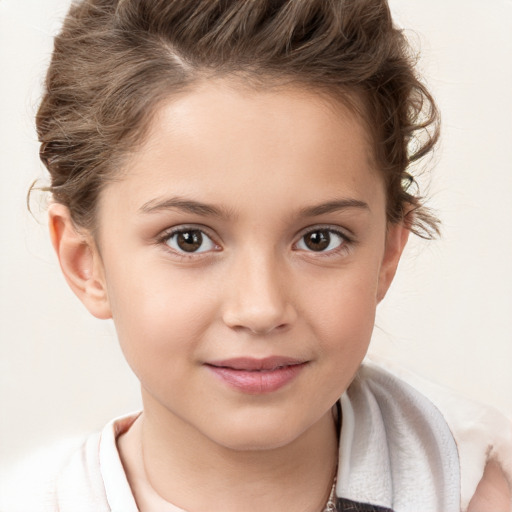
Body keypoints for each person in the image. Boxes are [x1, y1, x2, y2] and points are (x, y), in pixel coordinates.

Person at [2, 0, 511, 511]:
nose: (261, 308)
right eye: (189, 239)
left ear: (387, 253)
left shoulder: (472, 489)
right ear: (85, 261)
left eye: (319, 239)